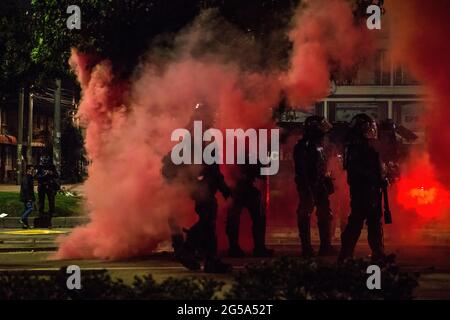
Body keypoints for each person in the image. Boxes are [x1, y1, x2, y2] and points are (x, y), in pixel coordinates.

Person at [173, 102, 233, 273]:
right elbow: (208, 165)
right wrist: (221, 187)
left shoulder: (196, 133)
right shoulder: (199, 135)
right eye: (210, 114)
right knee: (208, 220)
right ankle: (189, 249)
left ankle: (208, 259)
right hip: (202, 185)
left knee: (208, 222)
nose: (213, 118)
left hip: (203, 184)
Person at [338, 114, 386, 262]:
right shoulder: (359, 148)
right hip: (365, 191)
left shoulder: (355, 147)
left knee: (366, 223)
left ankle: (375, 254)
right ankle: (349, 254)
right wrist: (378, 179)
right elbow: (361, 171)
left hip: (365, 190)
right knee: (364, 223)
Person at [294, 116, 335, 258]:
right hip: (309, 185)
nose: (325, 134)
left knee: (325, 214)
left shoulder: (318, 145)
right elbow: (302, 169)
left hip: (319, 183)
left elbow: (320, 166)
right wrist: (307, 188)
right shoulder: (304, 146)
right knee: (304, 214)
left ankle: (325, 246)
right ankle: (306, 248)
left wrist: (326, 179)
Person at [226, 161, 274, 258]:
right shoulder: (249, 151)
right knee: (258, 217)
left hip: (237, 188)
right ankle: (258, 248)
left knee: (234, 218)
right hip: (241, 188)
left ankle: (234, 247)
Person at [36, 155, 60, 227]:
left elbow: (56, 175)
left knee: (51, 199)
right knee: (41, 200)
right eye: (43, 161)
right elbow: (37, 176)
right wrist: (44, 175)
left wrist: (51, 173)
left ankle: (52, 212)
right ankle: (41, 212)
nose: (45, 163)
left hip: (50, 185)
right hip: (42, 185)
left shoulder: (52, 167)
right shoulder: (39, 167)